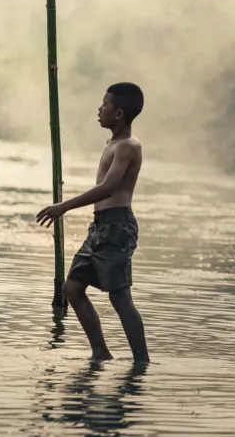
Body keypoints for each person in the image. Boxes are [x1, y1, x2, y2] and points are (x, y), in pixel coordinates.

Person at [36, 82, 149, 363]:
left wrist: (65, 206)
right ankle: (100, 351)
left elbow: (109, 188)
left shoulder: (128, 147)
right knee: (72, 288)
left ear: (120, 113)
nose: (100, 109)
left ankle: (141, 361)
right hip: (99, 227)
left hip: (117, 227)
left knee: (119, 298)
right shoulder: (112, 143)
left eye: (105, 104)